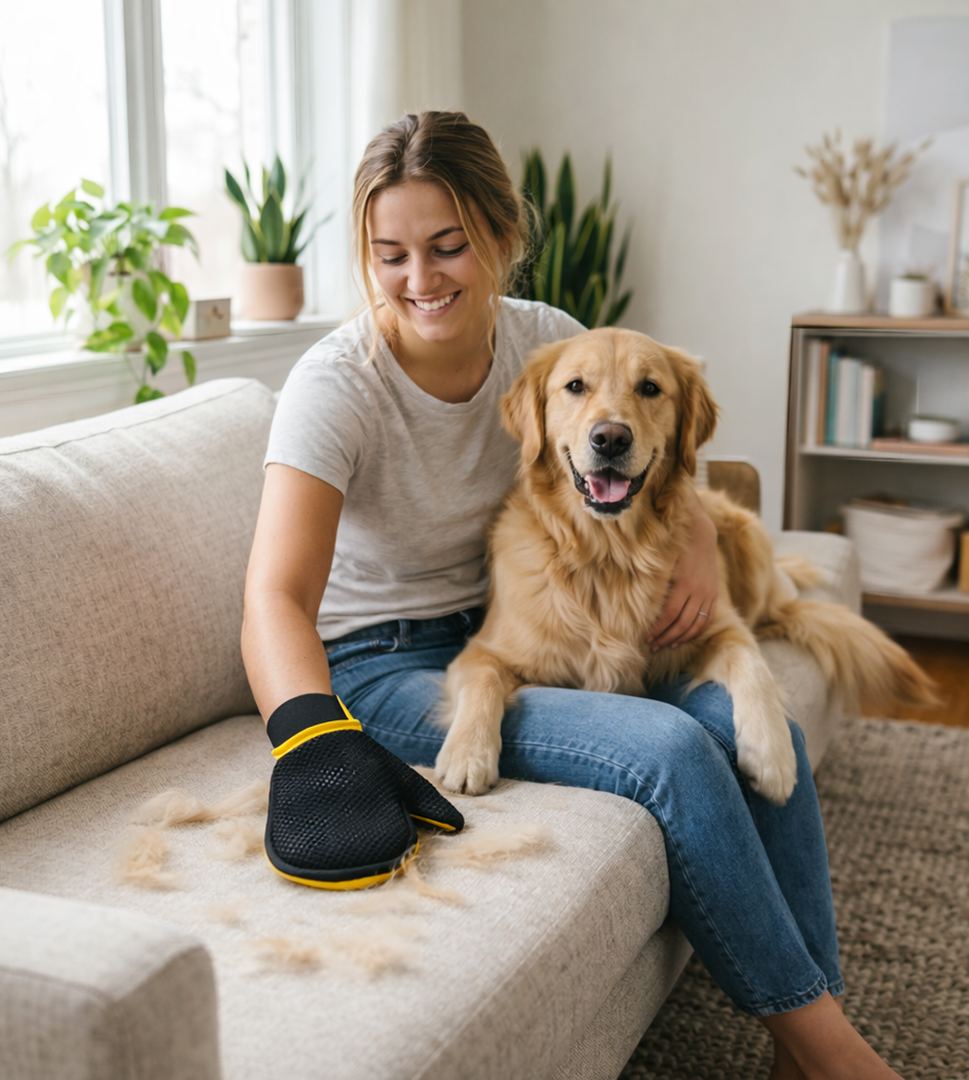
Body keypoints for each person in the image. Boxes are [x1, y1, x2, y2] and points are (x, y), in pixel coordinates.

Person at [242, 111, 902, 1080]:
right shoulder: (336, 386)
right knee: (674, 749)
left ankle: (801, 1048)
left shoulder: (550, 344)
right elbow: (273, 597)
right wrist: (312, 743)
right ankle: (839, 1059)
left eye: (447, 246)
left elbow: (658, 456)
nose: (419, 280)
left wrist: (704, 551)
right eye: (390, 255)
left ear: (502, 238)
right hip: (385, 665)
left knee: (765, 733)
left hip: (509, 628)